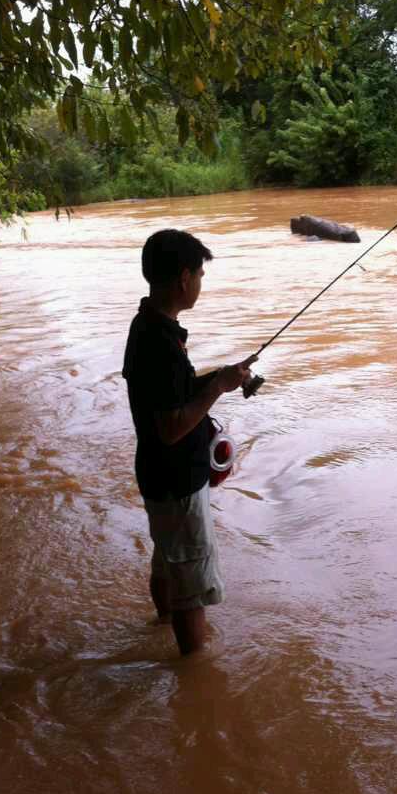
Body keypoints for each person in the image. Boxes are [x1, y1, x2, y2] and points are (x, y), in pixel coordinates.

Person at [122, 229, 256, 655]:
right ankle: (193, 673)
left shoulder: (150, 326)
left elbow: (171, 394)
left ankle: (161, 625)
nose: (201, 282)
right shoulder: (159, 343)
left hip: (159, 476)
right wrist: (216, 388)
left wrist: (219, 378)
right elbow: (172, 426)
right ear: (184, 278)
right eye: (200, 274)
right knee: (192, 585)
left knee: (169, 559)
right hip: (176, 481)